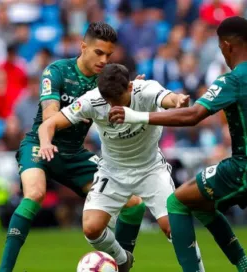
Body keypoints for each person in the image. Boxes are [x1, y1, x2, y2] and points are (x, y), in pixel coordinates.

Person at [108, 16, 247, 272]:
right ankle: (245, 267)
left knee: (176, 201)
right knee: (199, 201)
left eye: (220, 47)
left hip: (245, 169)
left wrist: (136, 115)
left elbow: (193, 115)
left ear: (227, 45)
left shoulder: (232, 80)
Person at [0, 22, 146, 272]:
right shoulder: (56, 71)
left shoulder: (105, 82)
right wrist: (46, 142)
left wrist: (132, 95)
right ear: (83, 46)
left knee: (134, 204)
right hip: (39, 145)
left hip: (75, 154)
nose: (104, 60)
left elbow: (123, 108)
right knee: (34, 194)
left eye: (108, 55)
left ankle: (123, 264)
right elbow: (50, 115)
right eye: (98, 53)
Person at [38, 64, 205, 272]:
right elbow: (48, 124)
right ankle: (122, 259)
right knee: (91, 228)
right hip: (112, 171)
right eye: (110, 102)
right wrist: (46, 143)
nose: (114, 107)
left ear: (130, 87)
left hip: (150, 169)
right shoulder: (93, 100)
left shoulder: (145, 89)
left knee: (175, 229)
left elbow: (168, 98)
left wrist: (178, 100)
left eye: (119, 100)